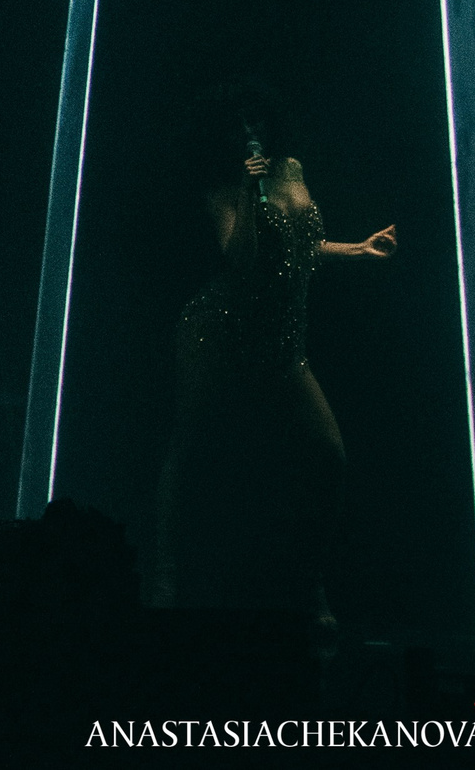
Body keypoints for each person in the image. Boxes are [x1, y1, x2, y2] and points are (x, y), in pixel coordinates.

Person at [148, 86, 397, 632]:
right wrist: (246, 189)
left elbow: (303, 247)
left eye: (255, 119)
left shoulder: (291, 167)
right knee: (191, 447)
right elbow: (241, 260)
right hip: (220, 331)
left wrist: (357, 248)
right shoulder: (223, 187)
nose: (250, 131)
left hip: (283, 340)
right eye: (238, 125)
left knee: (329, 455)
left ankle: (309, 586)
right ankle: (165, 578)